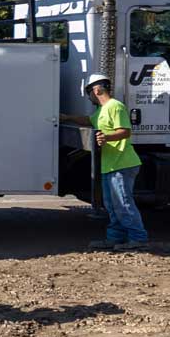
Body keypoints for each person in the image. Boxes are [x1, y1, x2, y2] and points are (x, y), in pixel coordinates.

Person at [62, 73, 148, 251]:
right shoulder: (101, 111)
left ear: (97, 89)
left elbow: (125, 131)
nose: (89, 97)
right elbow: (88, 120)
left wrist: (106, 137)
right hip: (110, 164)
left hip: (122, 164)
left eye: (89, 92)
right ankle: (115, 238)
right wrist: (68, 117)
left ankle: (138, 238)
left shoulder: (115, 106)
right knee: (111, 204)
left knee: (123, 203)